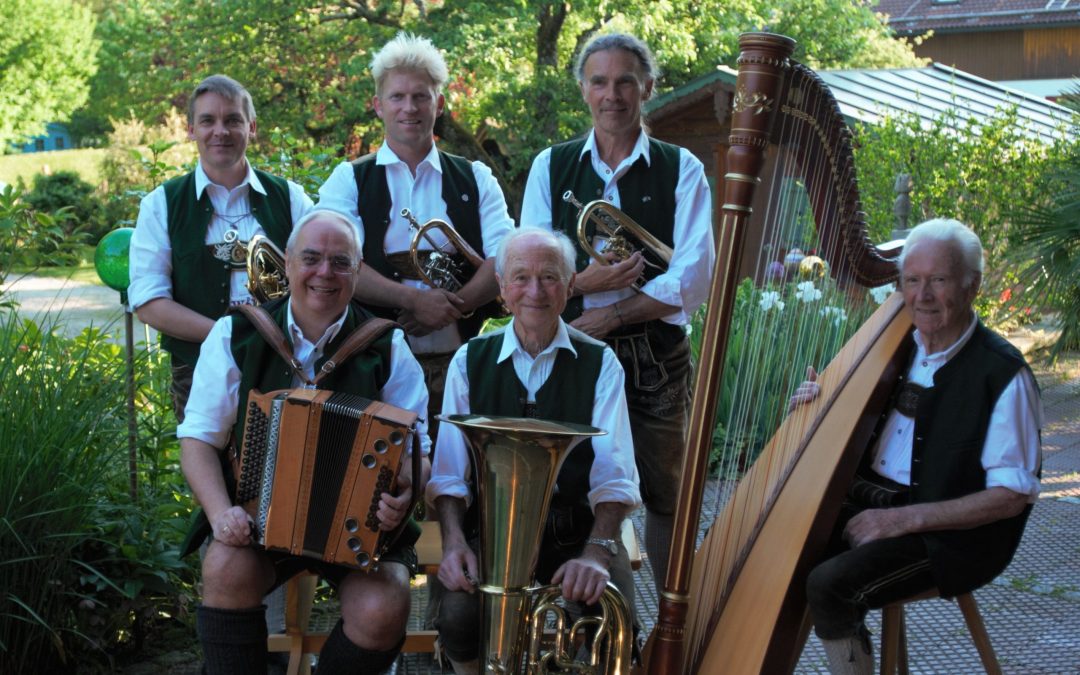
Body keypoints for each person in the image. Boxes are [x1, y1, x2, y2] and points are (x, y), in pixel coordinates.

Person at [177, 210, 432, 674]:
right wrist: (220, 513)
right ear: (288, 263)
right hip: (258, 520)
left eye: (340, 262)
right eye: (311, 258)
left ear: (358, 271)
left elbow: (420, 452)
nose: (324, 273)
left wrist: (405, 492)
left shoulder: (387, 346)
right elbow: (197, 439)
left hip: (361, 527)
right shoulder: (237, 334)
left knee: (384, 605)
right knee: (224, 569)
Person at [793, 218, 1042, 674]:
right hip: (871, 504)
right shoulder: (891, 347)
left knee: (830, 584)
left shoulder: (1002, 374)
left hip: (953, 536)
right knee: (779, 549)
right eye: (912, 280)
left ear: (972, 286)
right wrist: (818, 404)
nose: (922, 296)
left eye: (939, 280)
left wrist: (903, 519)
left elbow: (1011, 497)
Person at [519, 33, 714, 592]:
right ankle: (563, 609)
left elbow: (694, 277)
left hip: (654, 352)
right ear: (583, 89)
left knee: (667, 496)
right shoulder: (549, 166)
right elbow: (528, 268)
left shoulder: (683, 168)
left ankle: (674, 622)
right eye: (599, 81)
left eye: (626, 80)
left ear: (648, 88)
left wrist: (614, 312)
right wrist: (585, 281)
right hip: (570, 343)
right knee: (565, 484)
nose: (613, 94)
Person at [427, 227, 642, 675]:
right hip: (486, 535)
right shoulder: (470, 360)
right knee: (459, 617)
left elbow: (615, 476)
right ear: (503, 290)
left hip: (575, 532)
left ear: (569, 286)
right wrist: (451, 544)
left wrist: (597, 553)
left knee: (613, 618)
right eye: (521, 278)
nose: (535, 291)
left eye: (550, 277)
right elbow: (448, 474)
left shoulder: (600, 363)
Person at [316, 32, 514, 437]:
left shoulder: (476, 178)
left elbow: (506, 257)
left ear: (439, 104)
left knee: (453, 484)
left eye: (421, 96)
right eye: (397, 97)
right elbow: (335, 262)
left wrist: (449, 308)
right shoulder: (348, 180)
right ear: (378, 106)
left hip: (459, 364)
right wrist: (413, 301)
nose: (410, 107)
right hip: (370, 364)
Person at [129, 73, 313, 422]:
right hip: (199, 369)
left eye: (233, 120)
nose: (221, 131)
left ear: (252, 127)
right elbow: (149, 303)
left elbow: (321, 276)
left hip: (285, 367)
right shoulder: (161, 205)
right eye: (208, 121)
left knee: (285, 472)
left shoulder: (291, 198)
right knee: (207, 469)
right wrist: (229, 335)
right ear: (191, 130)